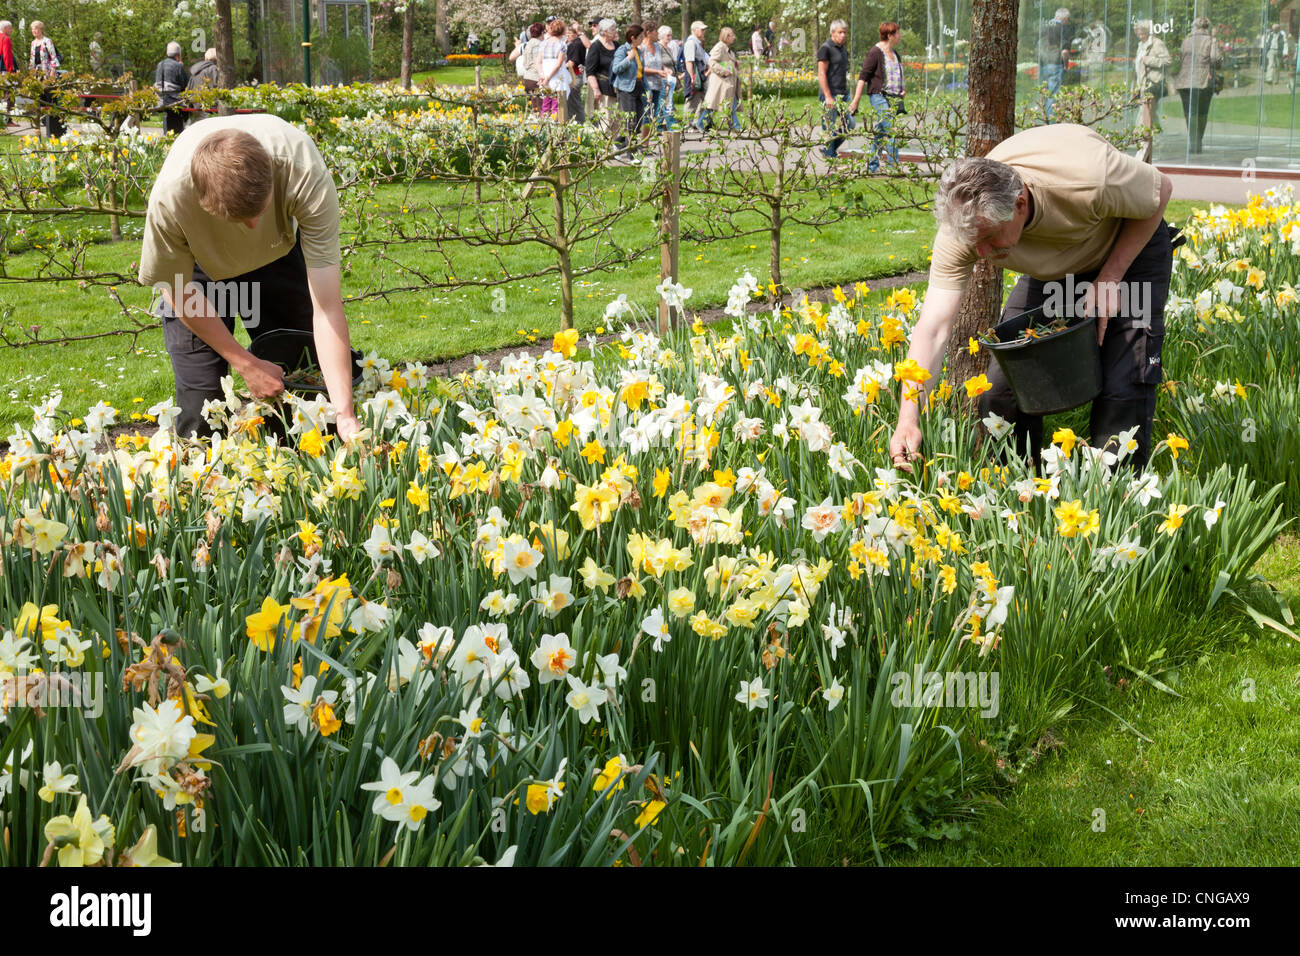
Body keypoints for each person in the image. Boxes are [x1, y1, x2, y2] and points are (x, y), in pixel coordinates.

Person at [888, 124, 1176, 473]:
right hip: (1055, 271)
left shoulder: (1088, 178)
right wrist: (909, 415)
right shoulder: (966, 224)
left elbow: (1160, 193)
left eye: (989, 239)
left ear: (1019, 203)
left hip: (1127, 256)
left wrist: (1111, 276)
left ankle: (1114, 504)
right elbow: (933, 328)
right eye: (973, 242)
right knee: (1000, 396)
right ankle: (1020, 497)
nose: (980, 252)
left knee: (1122, 393)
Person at [138, 114, 361, 442]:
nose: (252, 227)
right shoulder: (170, 199)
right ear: (203, 203)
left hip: (277, 254)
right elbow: (175, 289)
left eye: (259, 212)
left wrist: (346, 414)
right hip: (199, 272)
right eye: (239, 219)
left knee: (304, 384)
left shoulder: (303, 170)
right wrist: (245, 364)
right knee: (202, 406)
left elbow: (326, 305)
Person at [849, 21, 905, 173]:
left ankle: (872, 166)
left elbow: (897, 74)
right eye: (897, 33)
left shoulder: (894, 54)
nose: (900, 36)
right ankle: (894, 168)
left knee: (880, 132)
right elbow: (863, 77)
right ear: (889, 35)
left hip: (893, 98)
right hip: (878, 96)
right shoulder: (875, 52)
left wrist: (902, 89)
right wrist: (856, 100)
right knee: (891, 129)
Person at [1173, 17, 1221, 156]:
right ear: (1207, 27)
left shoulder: (1186, 40)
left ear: (1194, 27)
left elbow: (1181, 59)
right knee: (1202, 113)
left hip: (1184, 81)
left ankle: (1193, 141)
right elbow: (1214, 58)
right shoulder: (1211, 41)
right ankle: (1197, 141)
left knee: (1190, 113)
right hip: (1202, 81)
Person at [1133, 21, 1171, 163]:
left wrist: (1148, 60)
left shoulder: (1157, 43)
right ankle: (1156, 142)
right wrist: (1136, 88)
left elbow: (1167, 61)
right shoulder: (1140, 45)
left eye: (1142, 32)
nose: (1140, 35)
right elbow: (1138, 69)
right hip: (1143, 85)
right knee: (1150, 114)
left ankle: (1143, 143)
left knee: (1145, 114)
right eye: (1138, 32)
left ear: (1148, 31)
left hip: (1153, 84)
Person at [815, 21, 853, 160]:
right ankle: (830, 157)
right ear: (832, 33)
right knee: (829, 127)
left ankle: (828, 148)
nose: (843, 35)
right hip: (830, 95)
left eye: (844, 32)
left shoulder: (843, 48)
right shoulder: (825, 48)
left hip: (844, 94)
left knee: (851, 124)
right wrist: (828, 96)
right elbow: (821, 73)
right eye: (840, 32)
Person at [610, 23, 647, 162]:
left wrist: (647, 90)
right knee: (631, 122)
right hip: (626, 89)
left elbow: (641, 72)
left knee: (638, 121)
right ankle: (632, 156)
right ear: (633, 37)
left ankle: (618, 143)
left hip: (638, 87)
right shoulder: (622, 50)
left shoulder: (638, 50)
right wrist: (628, 58)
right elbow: (616, 69)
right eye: (641, 36)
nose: (643, 38)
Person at [699, 26, 739, 132]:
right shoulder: (719, 47)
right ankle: (735, 126)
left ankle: (735, 126)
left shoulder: (727, 48)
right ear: (727, 36)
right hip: (721, 82)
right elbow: (712, 62)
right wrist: (724, 71)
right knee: (714, 104)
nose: (734, 37)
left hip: (727, 82)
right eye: (732, 35)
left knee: (729, 103)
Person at [586, 19, 620, 139]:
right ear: (604, 32)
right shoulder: (595, 47)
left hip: (617, 88)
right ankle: (602, 148)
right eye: (613, 29)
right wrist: (596, 89)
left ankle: (614, 148)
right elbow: (590, 72)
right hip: (603, 88)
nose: (615, 31)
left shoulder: (616, 45)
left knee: (617, 120)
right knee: (606, 119)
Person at [1037, 8, 1071, 120]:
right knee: (1053, 95)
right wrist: (1066, 65)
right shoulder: (1063, 28)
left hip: (1043, 64)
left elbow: (1038, 45)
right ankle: (1050, 123)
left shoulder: (1044, 27)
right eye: (1068, 19)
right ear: (1065, 18)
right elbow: (1065, 52)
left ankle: (1041, 119)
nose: (1068, 21)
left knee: (1043, 93)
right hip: (1056, 64)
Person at [641, 22, 673, 133]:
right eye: (656, 31)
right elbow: (640, 68)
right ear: (648, 33)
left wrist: (665, 69)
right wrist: (657, 72)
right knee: (646, 115)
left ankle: (646, 144)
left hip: (657, 86)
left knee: (652, 115)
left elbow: (659, 63)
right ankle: (643, 144)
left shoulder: (657, 47)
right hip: (646, 86)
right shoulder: (641, 48)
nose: (658, 33)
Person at [154, 41, 189, 136]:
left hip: (161, 101)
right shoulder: (178, 66)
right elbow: (185, 85)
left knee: (168, 133)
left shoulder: (160, 65)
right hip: (175, 103)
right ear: (179, 55)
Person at [538, 18, 571, 118]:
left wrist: (542, 76)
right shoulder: (562, 44)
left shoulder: (543, 43)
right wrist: (548, 78)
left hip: (544, 76)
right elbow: (558, 64)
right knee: (557, 107)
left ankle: (543, 129)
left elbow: (538, 61)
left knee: (545, 105)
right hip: (557, 77)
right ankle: (555, 130)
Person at [510, 22, 544, 112]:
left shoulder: (525, 45)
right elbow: (538, 62)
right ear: (541, 33)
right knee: (540, 108)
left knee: (533, 107)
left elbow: (512, 58)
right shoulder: (539, 44)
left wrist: (517, 46)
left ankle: (534, 124)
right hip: (536, 78)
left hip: (527, 78)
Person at [682, 21, 709, 129]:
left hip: (700, 74)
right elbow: (689, 61)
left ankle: (696, 122)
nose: (704, 31)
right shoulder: (691, 43)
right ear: (694, 30)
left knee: (702, 98)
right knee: (692, 99)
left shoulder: (698, 42)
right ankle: (687, 124)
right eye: (701, 30)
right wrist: (692, 76)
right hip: (694, 74)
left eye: (704, 29)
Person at [565, 22, 587, 123]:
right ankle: (574, 122)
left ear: (575, 34)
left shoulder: (575, 44)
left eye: (570, 33)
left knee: (574, 101)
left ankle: (580, 122)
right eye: (567, 33)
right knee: (572, 101)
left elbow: (571, 63)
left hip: (574, 76)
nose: (568, 36)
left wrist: (558, 68)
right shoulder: (576, 43)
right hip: (577, 75)